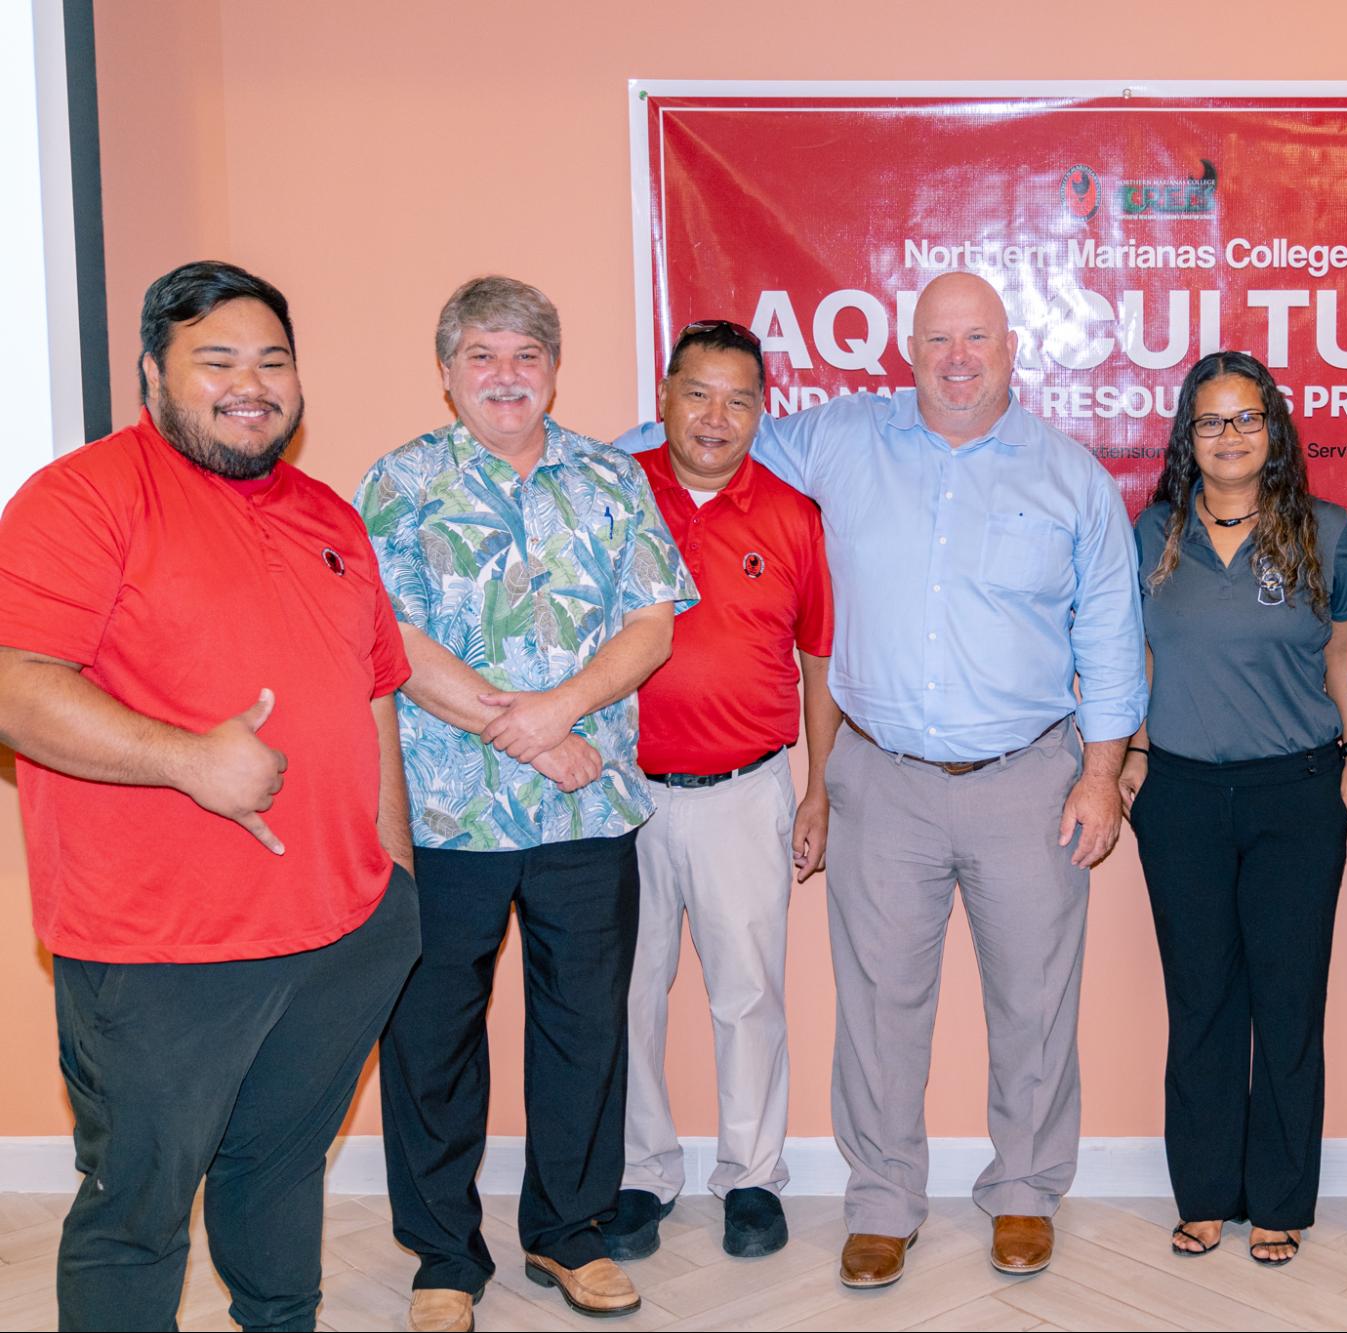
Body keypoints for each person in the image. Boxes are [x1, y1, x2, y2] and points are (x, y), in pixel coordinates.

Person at [0, 260, 419, 1331]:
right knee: (137, 1209)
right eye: (217, 360)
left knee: (279, 1173)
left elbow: (375, 695)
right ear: (153, 374)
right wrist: (188, 758)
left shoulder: (328, 512)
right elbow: (14, 684)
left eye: (272, 360)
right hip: (159, 956)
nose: (252, 384)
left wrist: (394, 881)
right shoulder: (82, 496)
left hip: (339, 936)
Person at [752, 271, 1145, 1288]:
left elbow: (1110, 637)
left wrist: (1102, 774)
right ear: (908, 350)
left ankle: (1023, 1189)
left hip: (1030, 778)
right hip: (879, 779)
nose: (956, 359)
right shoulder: (838, 438)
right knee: (879, 1002)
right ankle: (883, 1199)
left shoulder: (1069, 478)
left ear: (1012, 349)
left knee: (1035, 1000)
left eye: (976, 339)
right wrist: (569, 460)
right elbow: (701, 448)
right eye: (937, 341)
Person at [354, 276, 698, 1332]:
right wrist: (528, 733)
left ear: (553, 368)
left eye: (526, 356)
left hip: (588, 818)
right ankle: (445, 1256)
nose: (506, 376)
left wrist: (560, 712)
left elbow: (653, 626)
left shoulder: (609, 476)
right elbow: (394, 642)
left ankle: (570, 1231)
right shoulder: (400, 481)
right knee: (433, 1036)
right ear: (448, 372)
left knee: (584, 1027)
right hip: (449, 818)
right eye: (483, 357)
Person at [1120, 350, 1347, 1267]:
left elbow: (1344, 652)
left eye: (1246, 418)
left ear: (1272, 431)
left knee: (1287, 998)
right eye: (1209, 421)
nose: (1228, 436)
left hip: (1296, 793)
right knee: (1199, 1001)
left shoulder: (1327, 530)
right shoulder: (1150, 534)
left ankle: (1277, 1198)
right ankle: (1203, 1192)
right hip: (1179, 795)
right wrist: (1131, 755)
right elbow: (1134, 663)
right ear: (1186, 439)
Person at [597, 319, 837, 1263]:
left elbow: (819, 657)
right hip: (621, 795)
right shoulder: (615, 497)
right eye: (699, 393)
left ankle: (750, 1177)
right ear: (664, 395)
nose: (716, 417)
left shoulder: (791, 513)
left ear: (760, 410)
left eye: (740, 399)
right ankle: (640, 1173)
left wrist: (818, 790)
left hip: (747, 790)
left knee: (749, 995)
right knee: (627, 993)